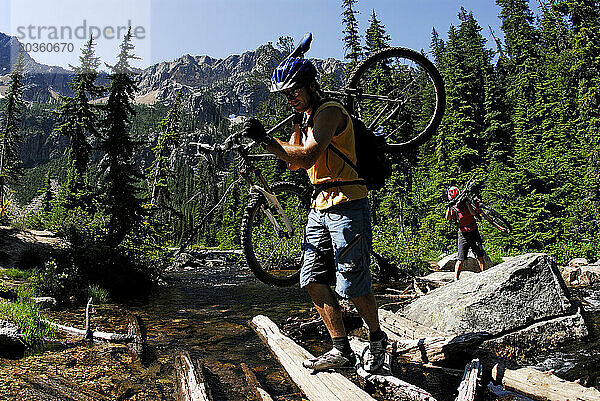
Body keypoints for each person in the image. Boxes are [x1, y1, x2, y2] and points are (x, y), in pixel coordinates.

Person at [242, 56, 387, 373]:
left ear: (310, 86)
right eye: (285, 94)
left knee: (353, 283)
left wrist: (265, 138)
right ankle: (341, 350)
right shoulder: (304, 120)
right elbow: (294, 163)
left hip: (348, 201)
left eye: (294, 90)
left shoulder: (330, 112)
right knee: (312, 280)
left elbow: (307, 157)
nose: (290, 97)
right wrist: (272, 141)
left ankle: (377, 340)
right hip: (319, 206)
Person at [445, 185, 487, 280]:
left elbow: (473, 213)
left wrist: (467, 203)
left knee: (479, 255)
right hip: (463, 233)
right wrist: (449, 206)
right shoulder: (453, 207)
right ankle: (456, 278)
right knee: (461, 259)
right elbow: (447, 218)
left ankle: (484, 274)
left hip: (473, 230)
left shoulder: (465, 202)